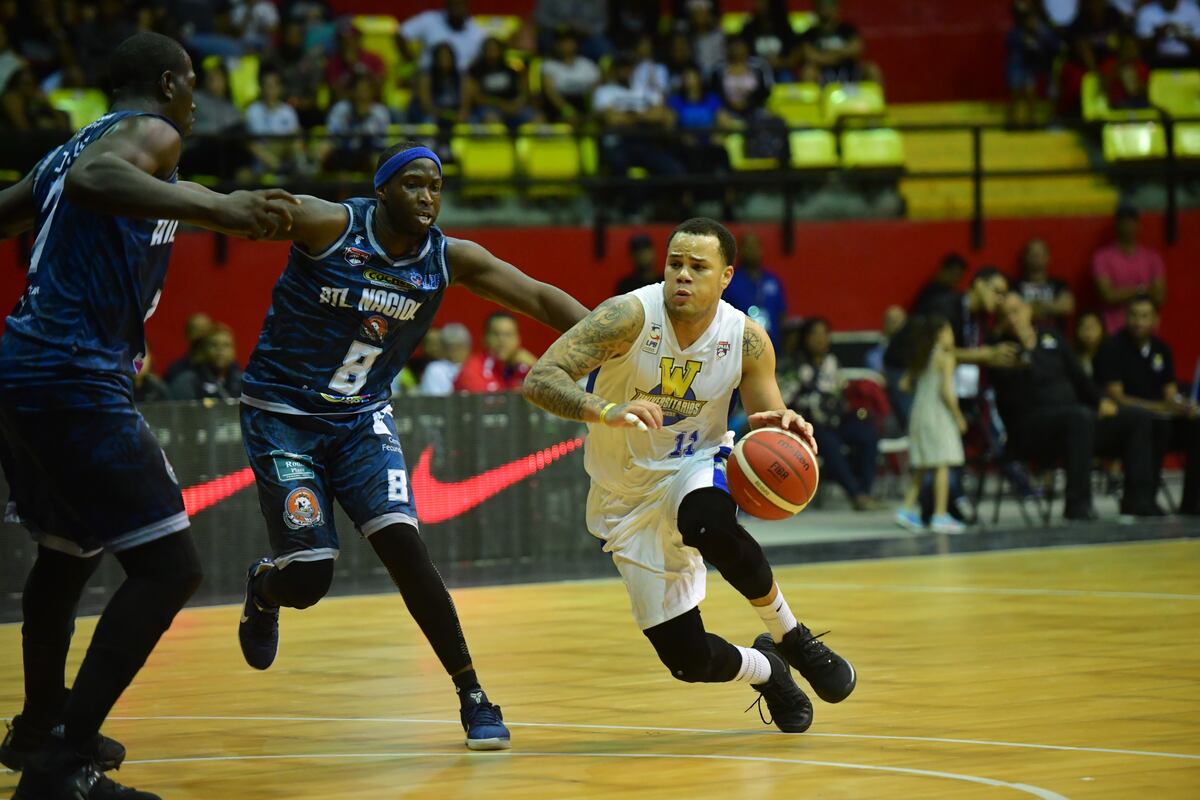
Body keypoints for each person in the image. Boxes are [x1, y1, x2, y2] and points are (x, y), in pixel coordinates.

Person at [0, 31, 298, 800]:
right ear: (169, 84)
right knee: (170, 568)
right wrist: (220, 207)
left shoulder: (66, 150)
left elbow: (11, 212)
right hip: (72, 372)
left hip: (26, 367)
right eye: (193, 82)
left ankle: (39, 729)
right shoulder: (150, 135)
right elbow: (99, 178)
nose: (196, 100)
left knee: (68, 554)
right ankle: (63, 762)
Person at [234, 141, 590, 752]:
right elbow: (244, 210)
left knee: (406, 548)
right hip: (284, 416)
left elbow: (535, 296)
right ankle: (266, 587)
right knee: (311, 577)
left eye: (436, 187)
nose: (427, 197)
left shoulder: (447, 257)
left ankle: (473, 695)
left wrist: (621, 339)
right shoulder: (331, 225)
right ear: (382, 190)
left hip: (361, 418)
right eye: (413, 184)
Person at [523, 216, 856, 734]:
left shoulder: (746, 339)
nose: (682, 274)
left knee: (706, 520)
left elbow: (767, 420)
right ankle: (768, 668)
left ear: (725, 276)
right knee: (688, 661)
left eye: (698, 266)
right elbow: (540, 378)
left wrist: (784, 426)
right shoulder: (628, 316)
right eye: (674, 263)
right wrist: (606, 410)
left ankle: (792, 635)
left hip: (695, 463)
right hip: (624, 497)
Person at [989, 293, 1161, 521]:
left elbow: (1078, 377)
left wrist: (1100, 401)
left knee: (1136, 418)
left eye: (1016, 311)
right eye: (1005, 315)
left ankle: (1139, 501)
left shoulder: (1051, 336)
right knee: (1079, 417)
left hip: (1075, 424)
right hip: (1030, 428)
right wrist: (1026, 351)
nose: (1012, 318)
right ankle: (1078, 506)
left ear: (1029, 310)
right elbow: (1013, 397)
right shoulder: (999, 348)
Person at [1095, 295, 1199, 515]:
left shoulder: (1162, 349)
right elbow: (1117, 397)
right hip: (1124, 423)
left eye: (1144, 316)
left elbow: (1170, 394)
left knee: (1195, 426)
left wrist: (1183, 406)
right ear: (1125, 317)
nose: (1138, 321)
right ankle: (1141, 500)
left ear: (1155, 320)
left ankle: (1193, 503)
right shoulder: (1112, 347)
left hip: (1160, 418)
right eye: (1134, 315)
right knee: (1153, 425)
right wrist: (1158, 408)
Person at [789, 317, 880, 511]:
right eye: (815, 334)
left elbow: (841, 392)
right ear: (805, 337)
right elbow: (786, 399)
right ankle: (856, 495)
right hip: (809, 425)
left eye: (824, 334)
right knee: (828, 443)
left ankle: (865, 492)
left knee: (867, 435)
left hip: (836, 421)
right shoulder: (794, 365)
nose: (820, 339)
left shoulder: (832, 362)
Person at [895, 316, 967, 533]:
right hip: (938, 415)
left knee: (922, 465)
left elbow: (903, 384)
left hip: (919, 413)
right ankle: (940, 514)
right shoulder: (945, 357)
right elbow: (946, 392)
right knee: (942, 464)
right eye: (949, 331)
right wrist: (958, 416)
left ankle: (906, 509)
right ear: (940, 334)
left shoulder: (922, 356)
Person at [1092, 205, 1166, 334]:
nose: (1128, 227)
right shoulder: (1102, 258)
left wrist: (1122, 292)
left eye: (1131, 222)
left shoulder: (1152, 258)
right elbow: (1108, 295)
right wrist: (1142, 289)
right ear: (1116, 225)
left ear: (1139, 225)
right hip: (1113, 331)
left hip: (1148, 332)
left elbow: (1159, 297)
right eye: (1124, 222)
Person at [319, 72, 392, 173]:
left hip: (367, 154)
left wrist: (364, 119)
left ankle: (375, 183)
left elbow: (380, 144)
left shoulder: (380, 112)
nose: (362, 95)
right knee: (323, 148)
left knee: (378, 160)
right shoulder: (340, 109)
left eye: (366, 90)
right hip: (342, 151)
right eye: (359, 90)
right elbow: (332, 137)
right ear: (352, 92)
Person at [721, 232, 785, 344]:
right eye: (748, 247)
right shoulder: (729, 280)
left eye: (755, 246)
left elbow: (782, 314)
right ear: (740, 251)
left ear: (761, 250)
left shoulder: (773, 280)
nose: (752, 250)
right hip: (738, 343)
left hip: (771, 344)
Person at [244, 64, 307, 176]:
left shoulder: (288, 111)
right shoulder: (252, 111)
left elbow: (296, 140)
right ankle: (279, 167)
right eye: (267, 86)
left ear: (280, 88)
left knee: (296, 134)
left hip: (287, 156)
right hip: (262, 160)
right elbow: (252, 144)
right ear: (261, 88)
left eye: (274, 86)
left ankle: (301, 167)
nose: (271, 90)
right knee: (254, 144)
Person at [800, 0, 881, 85]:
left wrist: (826, 55)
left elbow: (857, 48)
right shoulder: (810, 34)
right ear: (816, 8)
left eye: (829, 5)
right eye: (822, 5)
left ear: (837, 7)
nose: (825, 9)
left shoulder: (847, 29)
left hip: (849, 72)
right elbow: (810, 55)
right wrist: (841, 54)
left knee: (871, 69)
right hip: (822, 75)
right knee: (808, 71)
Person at [1006, 0, 1059, 128]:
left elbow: (1053, 46)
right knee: (1016, 93)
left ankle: (1031, 120)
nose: (1031, 22)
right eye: (1029, 19)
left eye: (1033, 19)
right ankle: (1012, 121)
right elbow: (1010, 44)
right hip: (1018, 67)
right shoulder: (1017, 33)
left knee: (1031, 92)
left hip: (1033, 67)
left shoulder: (1042, 31)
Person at [454, 312, 537, 393]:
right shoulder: (472, 370)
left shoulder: (526, 368)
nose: (502, 340)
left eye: (508, 334)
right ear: (484, 338)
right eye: (495, 334)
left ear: (518, 339)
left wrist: (535, 365)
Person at [463, 36, 535, 130]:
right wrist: (500, 104)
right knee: (492, 119)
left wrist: (517, 103)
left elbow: (523, 91)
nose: (493, 51)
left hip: (513, 105)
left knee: (536, 117)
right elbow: (477, 97)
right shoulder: (476, 70)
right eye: (490, 49)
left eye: (495, 48)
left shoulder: (511, 68)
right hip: (488, 107)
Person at [400, 0, 487, 74]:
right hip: (428, 75)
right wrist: (410, 60)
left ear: (466, 6)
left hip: (460, 80)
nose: (456, 9)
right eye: (453, 5)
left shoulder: (477, 32)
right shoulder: (430, 19)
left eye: (460, 5)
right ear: (446, 5)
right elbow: (401, 34)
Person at [540, 28, 602, 124]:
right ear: (556, 45)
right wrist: (567, 111)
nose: (566, 45)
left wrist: (591, 110)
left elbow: (597, 86)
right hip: (559, 106)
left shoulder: (586, 63)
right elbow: (550, 91)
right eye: (562, 42)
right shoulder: (549, 65)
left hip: (584, 102)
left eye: (569, 42)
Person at [168, 323, 243, 400]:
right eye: (214, 345)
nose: (220, 350)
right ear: (204, 350)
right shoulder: (187, 381)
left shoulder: (243, 381)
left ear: (234, 351)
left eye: (226, 345)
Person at [1015, 237, 1074, 329]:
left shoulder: (1059, 284)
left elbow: (1067, 307)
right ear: (1025, 257)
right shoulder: (1015, 285)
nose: (1036, 256)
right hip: (1024, 334)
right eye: (1032, 253)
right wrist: (1053, 306)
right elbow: (1013, 309)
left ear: (1047, 257)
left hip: (1055, 335)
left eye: (1040, 253)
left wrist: (1031, 307)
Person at [1136, 0, 1200, 69]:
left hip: (1188, 60)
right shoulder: (1146, 11)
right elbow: (1142, 47)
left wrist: (1181, 34)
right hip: (1157, 61)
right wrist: (1158, 35)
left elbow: (1198, 45)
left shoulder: (1193, 9)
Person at [420, 322, 472, 395]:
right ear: (444, 348)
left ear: (468, 347)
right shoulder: (435, 370)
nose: (456, 351)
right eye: (451, 347)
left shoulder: (476, 368)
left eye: (460, 346)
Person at [163, 312, 214, 382]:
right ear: (187, 334)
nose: (201, 335)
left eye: (205, 330)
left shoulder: (222, 368)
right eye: (196, 330)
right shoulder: (176, 369)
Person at [866, 305, 906, 374]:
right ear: (884, 325)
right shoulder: (873, 357)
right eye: (892, 321)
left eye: (901, 320)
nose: (898, 325)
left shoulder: (917, 352)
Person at [1072, 309, 1106, 381]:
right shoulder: (1072, 355)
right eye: (1084, 326)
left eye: (1092, 326)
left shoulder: (1111, 354)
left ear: (1102, 328)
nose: (1088, 330)